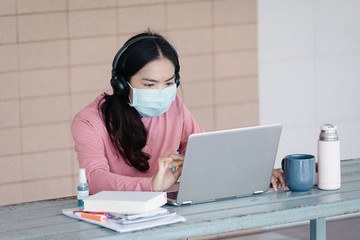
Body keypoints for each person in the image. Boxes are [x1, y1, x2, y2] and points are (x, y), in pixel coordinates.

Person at [71, 31, 286, 195]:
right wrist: (151, 186)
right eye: (149, 84)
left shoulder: (174, 106)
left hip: (167, 216)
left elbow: (204, 154)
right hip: (114, 218)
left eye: (169, 83)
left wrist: (252, 174)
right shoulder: (89, 122)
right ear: (121, 83)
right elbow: (93, 179)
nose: (161, 92)